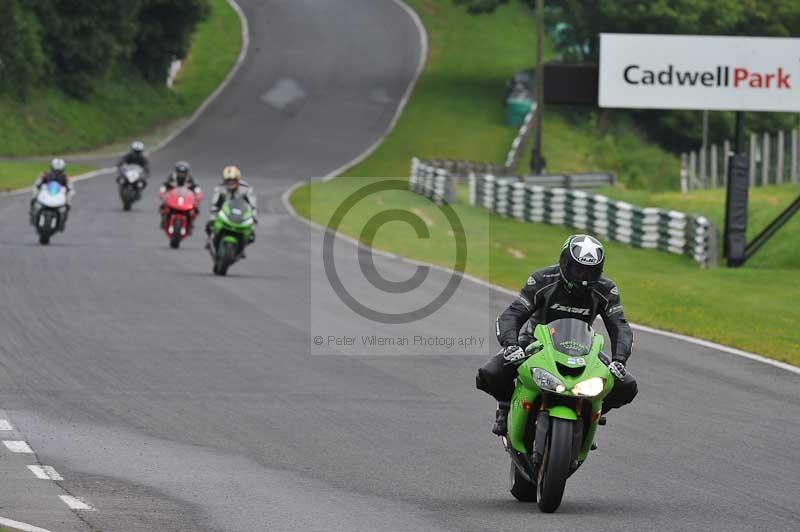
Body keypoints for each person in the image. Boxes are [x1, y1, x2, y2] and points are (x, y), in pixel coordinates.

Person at [476, 234, 638, 436]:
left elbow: (620, 326)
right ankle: (506, 406)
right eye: (578, 270)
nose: (584, 278)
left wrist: (619, 360)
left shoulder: (606, 289)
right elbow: (513, 314)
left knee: (627, 386)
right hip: (534, 343)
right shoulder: (541, 280)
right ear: (565, 264)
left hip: (583, 349)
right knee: (489, 374)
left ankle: (589, 413)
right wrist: (510, 344)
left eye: (590, 272)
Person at [205, 166, 257, 255]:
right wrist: (213, 215)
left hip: (240, 214)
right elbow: (214, 204)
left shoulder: (246, 189)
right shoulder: (219, 188)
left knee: (251, 234)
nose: (230, 183)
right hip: (223, 212)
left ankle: (242, 247)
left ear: (238, 180)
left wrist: (254, 218)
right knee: (210, 224)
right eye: (228, 181)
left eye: (233, 181)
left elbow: (252, 205)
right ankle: (210, 240)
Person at [30, 159, 74, 229]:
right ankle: (33, 213)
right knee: (34, 198)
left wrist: (69, 193)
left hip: (58, 195)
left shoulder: (66, 178)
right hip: (46, 193)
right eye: (55, 170)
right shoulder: (45, 174)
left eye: (59, 171)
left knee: (68, 204)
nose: (57, 173)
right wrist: (38, 187)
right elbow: (37, 183)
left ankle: (62, 222)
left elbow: (70, 188)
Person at [159, 161, 201, 228]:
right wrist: (162, 193)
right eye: (180, 172)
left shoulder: (191, 179)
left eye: (183, 173)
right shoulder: (171, 177)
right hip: (173, 196)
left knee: (195, 209)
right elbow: (164, 185)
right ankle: (164, 219)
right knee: (163, 206)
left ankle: (191, 221)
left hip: (186, 197)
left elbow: (197, 188)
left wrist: (198, 195)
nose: (181, 174)